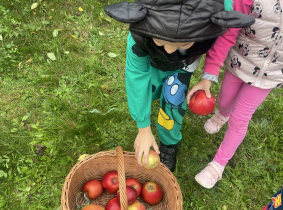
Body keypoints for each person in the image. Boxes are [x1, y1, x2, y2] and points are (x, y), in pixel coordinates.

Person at [104, 0, 254, 172]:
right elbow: (136, 77)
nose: (169, 50)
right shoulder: (140, 36)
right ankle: (154, 96)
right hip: (151, 60)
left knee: (172, 100)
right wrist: (143, 127)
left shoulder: (211, 22)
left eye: (183, 44)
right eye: (161, 41)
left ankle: (169, 143)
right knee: (148, 90)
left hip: (183, 66)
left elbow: (224, 37)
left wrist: (208, 75)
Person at [187, 0, 283, 188]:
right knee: (224, 100)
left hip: (268, 75)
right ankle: (222, 114)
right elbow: (229, 32)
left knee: (240, 118)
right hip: (239, 62)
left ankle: (217, 166)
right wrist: (210, 74)